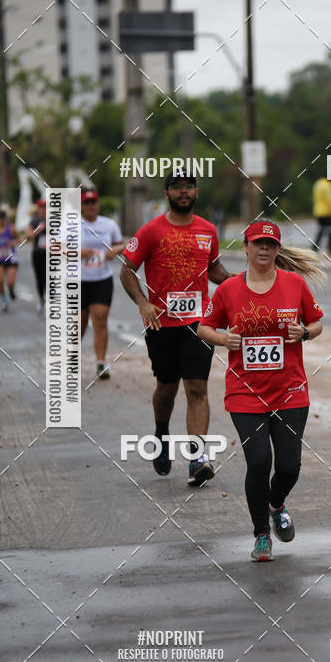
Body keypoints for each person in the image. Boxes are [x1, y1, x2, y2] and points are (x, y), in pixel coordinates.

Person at [198, 219, 325, 561]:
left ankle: (276, 503)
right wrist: (224, 338)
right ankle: (261, 536)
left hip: (290, 390)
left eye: (270, 244)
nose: (264, 249)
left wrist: (305, 332)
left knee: (288, 466)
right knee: (258, 461)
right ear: (246, 247)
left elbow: (317, 322)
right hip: (245, 393)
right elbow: (204, 327)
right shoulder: (228, 290)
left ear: (278, 249)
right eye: (258, 243)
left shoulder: (294, 284)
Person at [120, 172, 234, 485]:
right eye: (176, 187)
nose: (183, 192)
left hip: (199, 324)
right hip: (161, 324)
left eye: (188, 187)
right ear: (167, 193)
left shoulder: (208, 230)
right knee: (167, 387)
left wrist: (236, 282)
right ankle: (161, 431)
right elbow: (126, 271)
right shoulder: (151, 230)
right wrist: (143, 304)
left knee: (197, 387)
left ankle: (198, 458)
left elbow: (213, 269)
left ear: (196, 191)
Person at [80, 190, 125, 380]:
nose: (91, 206)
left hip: (102, 279)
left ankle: (101, 363)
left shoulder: (109, 224)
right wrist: (76, 252)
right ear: (81, 206)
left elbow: (122, 245)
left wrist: (113, 251)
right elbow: (56, 247)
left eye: (94, 202)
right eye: (87, 202)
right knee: (77, 325)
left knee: (100, 319)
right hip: (77, 281)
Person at [0, 210, 18, 311]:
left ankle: (11, 289)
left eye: (3, 218)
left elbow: (19, 239)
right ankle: (4, 301)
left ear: (5, 219)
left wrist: (13, 242)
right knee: (0, 281)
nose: (1, 220)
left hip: (11, 260)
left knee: (10, 282)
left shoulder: (11, 229)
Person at [25, 198, 47, 312]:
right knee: (40, 279)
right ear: (38, 208)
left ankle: (52, 301)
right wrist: (38, 230)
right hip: (38, 253)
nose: (43, 209)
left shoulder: (54, 220)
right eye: (41, 207)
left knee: (50, 278)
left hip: (51, 254)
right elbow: (28, 236)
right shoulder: (34, 220)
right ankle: (41, 299)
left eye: (45, 207)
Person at [312, 176, 331, 254]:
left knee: (321, 229)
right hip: (326, 211)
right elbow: (330, 199)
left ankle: (314, 248)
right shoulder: (327, 185)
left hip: (318, 211)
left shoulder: (317, 184)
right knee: (330, 230)